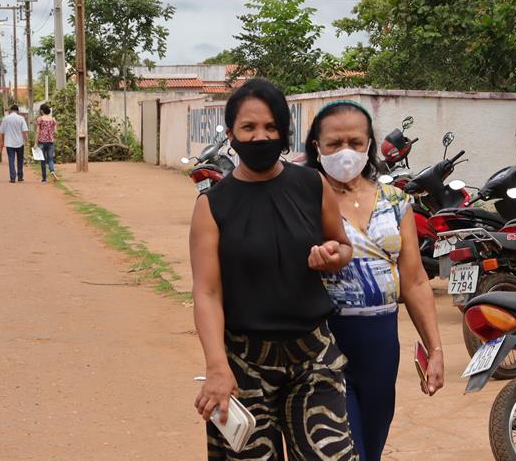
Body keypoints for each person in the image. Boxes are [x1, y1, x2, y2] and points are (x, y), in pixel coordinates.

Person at [190, 78, 359, 461]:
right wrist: (217, 366)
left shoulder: (312, 184)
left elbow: (343, 244)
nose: (260, 136)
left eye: (271, 127)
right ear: (230, 133)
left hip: (313, 357)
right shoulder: (212, 206)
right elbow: (207, 292)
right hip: (242, 363)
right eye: (248, 128)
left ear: (284, 131)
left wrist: (336, 254)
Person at [305, 100, 445, 461]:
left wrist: (436, 349)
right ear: (316, 147)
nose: (345, 152)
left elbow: (413, 280)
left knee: (371, 446)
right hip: (325, 341)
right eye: (334, 144)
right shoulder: (304, 197)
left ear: (370, 144)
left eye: (355, 142)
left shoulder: (395, 201)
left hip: (382, 345)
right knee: (343, 450)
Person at [0, 104, 29, 184]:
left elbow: (1, 132)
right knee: (20, 160)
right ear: (17, 111)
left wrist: (2, 141)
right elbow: (25, 131)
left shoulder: (6, 118)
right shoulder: (21, 118)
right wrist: (27, 141)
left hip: (9, 143)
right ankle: (20, 177)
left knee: (11, 160)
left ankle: (12, 177)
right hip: (20, 142)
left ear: (11, 110)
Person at [34, 104, 57, 183]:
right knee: (50, 159)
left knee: (43, 160)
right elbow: (55, 132)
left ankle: (44, 179)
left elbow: (37, 132)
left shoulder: (40, 119)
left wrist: (35, 143)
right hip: (51, 142)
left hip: (42, 141)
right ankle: (52, 170)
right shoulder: (53, 119)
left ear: (41, 111)